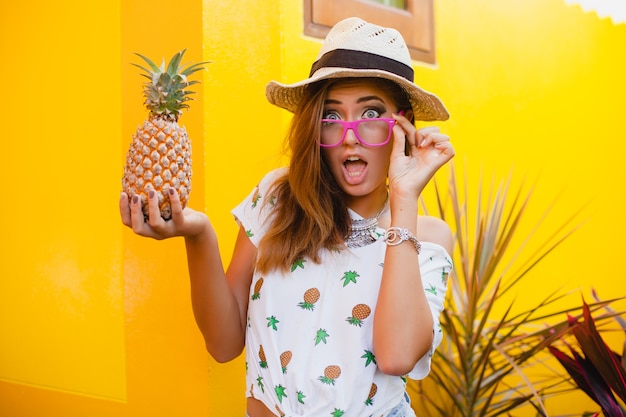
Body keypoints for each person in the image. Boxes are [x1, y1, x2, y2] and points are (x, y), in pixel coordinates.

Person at [120, 17, 454, 417]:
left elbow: (396, 356)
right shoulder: (277, 199)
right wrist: (199, 234)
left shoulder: (426, 235)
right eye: (331, 117)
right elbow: (224, 345)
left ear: (402, 128)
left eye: (370, 114)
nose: (349, 135)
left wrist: (404, 197)